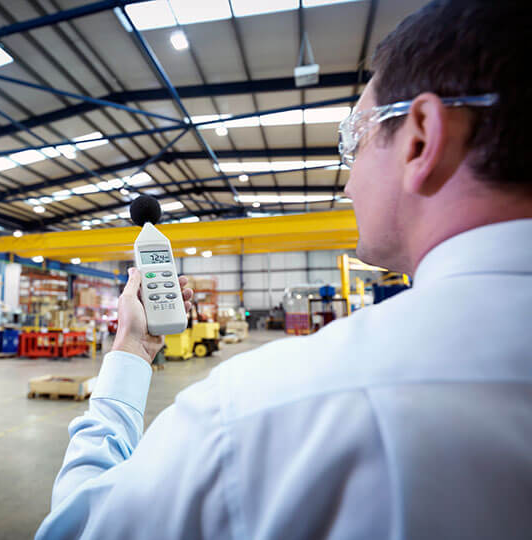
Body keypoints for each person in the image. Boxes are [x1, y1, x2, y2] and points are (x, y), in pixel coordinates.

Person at [36, 1, 532, 537]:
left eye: (355, 141)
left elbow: (78, 528)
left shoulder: (259, 415)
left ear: (421, 139)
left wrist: (129, 357)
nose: (347, 183)